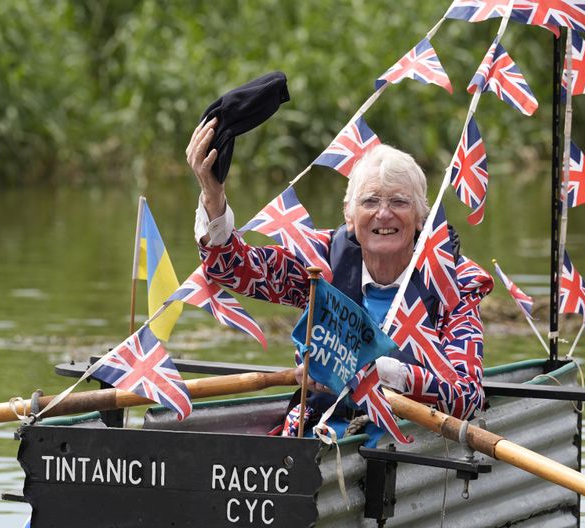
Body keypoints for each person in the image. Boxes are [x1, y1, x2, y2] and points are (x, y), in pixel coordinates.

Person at [186, 116, 493, 429]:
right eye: (370, 201)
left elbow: (466, 398)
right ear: (349, 214)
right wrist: (213, 194)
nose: (384, 214)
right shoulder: (321, 260)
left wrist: (378, 370)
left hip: (402, 438)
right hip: (318, 430)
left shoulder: (455, 282)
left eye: (399, 202)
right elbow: (233, 268)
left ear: (419, 217)